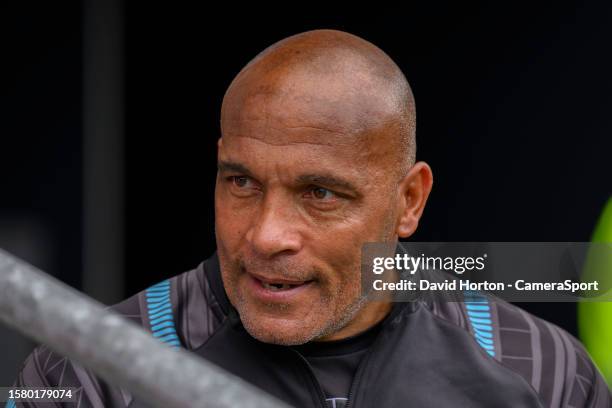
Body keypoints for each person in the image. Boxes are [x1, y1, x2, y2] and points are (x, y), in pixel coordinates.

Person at [10, 29, 610, 408]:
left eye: (320, 193)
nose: (267, 235)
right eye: (240, 182)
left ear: (409, 202)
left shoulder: (542, 371)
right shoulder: (84, 378)